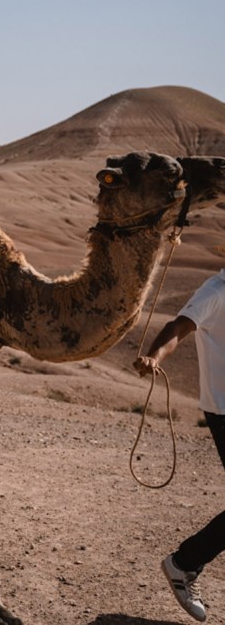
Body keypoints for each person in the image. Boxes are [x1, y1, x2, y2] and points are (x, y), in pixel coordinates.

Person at [135, 265, 225, 622]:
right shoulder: (216, 290)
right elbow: (179, 328)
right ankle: (183, 564)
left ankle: (185, 562)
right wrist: (154, 356)